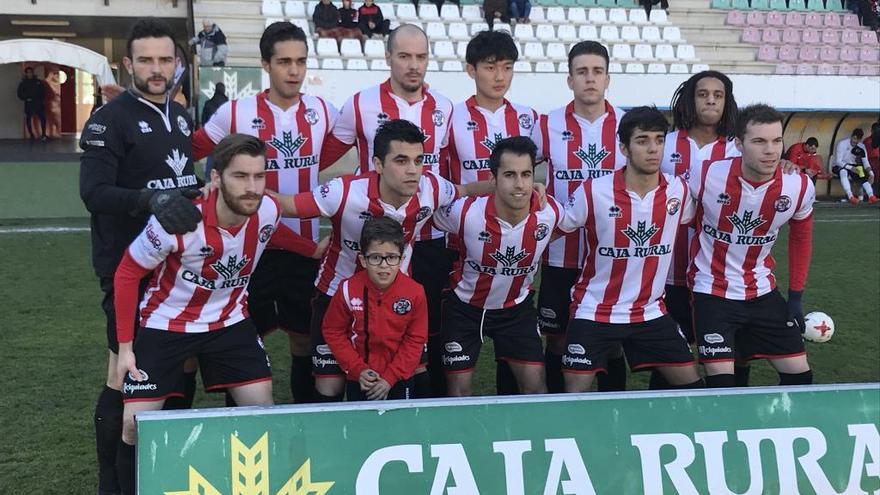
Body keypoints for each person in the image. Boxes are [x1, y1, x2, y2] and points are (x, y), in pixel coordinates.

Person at [112, 134, 317, 495]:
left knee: (264, 413)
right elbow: (128, 272)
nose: (252, 187)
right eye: (240, 176)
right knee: (133, 425)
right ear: (216, 178)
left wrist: (312, 249)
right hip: (166, 324)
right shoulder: (180, 221)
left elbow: (274, 234)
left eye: (258, 176)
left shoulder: (266, 210)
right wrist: (126, 348)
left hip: (229, 322)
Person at [272, 119, 499, 402]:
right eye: (401, 160)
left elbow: (464, 190)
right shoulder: (343, 192)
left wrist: (514, 188)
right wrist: (231, 192)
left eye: (419, 160)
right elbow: (287, 205)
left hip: (395, 301)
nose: (412, 170)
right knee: (329, 389)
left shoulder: (431, 187)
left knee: (412, 378)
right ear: (378, 164)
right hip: (337, 298)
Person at [79, 18, 202, 495]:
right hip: (126, 267)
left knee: (181, 364)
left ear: (177, 64)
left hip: (176, 267)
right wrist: (147, 202)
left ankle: (164, 463)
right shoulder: (109, 120)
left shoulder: (180, 116)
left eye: (165, 60)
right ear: (128, 64)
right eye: (146, 60)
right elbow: (93, 192)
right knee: (122, 371)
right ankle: (112, 481)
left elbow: (175, 181)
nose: (157, 69)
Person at [191, 21, 339, 404]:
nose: (294, 71)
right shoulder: (235, 113)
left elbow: (342, 154)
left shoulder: (323, 111)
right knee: (239, 338)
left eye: (301, 62)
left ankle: (307, 419)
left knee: (304, 338)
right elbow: (190, 150)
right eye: (284, 61)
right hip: (244, 253)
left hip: (304, 246)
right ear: (265, 64)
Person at [321, 24, 454, 398]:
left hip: (426, 237)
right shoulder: (360, 103)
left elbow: (452, 173)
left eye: (421, 57)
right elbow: (323, 156)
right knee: (366, 330)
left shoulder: (444, 107)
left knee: (425, 339)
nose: (414, 65)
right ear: (388, 57)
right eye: (404, 56)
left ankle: (424, 419)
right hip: (373, 236)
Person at [557, 106, 704, 393]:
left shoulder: (679, 192)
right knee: (573, 397)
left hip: (650, 312)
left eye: (659, 140)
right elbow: (553, 228)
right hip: (595, 310)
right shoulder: (593, 192)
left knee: (694, 391)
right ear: (624, 147)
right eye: (642, 140)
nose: (653, 149)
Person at [689, 104, 815, 389]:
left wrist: (795, 296)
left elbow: (801, 239)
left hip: (762, 292)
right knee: (723, 386)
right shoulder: (707, 175)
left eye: (776, 141)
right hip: (711, 291)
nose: (770, 150)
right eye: (759, 141)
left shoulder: (798, 186)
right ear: (738, 144)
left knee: (801, 378)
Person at [444, 30, 540, 395]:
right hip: (460, 243)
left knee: (515, 359)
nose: (499, 76)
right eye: (489, 67)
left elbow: (532, 173)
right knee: (452, 349)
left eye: (507, 67)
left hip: (514, 242)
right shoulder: (451, 118)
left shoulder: (529, 119)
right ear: (471, 70)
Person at [537, 41, 627, 394]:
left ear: (608, 78)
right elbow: (523, 169)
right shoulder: (548, 124)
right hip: (561, 253)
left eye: (597, 71)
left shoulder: (624, 125)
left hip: (611, 256)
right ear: (569, 79)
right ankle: (558, 415)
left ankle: (612, 412)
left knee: (612, 339)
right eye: (582, 72)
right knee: (557, 339)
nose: (590, 79)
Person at [435, 136, 555, 396]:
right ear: (494, 179)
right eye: (510, 175)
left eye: (526, 174)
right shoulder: (464, 213)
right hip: (465, 308)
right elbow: (426, 209)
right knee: (458, 392)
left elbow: (565, 228)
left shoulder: (550, 213)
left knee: (536, 387)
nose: (520, 184)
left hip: (516, 309)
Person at [657, 70, 740, 388]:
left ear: (726, 102)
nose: (710, 100)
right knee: (670, 359)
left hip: (721, 275)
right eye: (703, 93)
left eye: (718, 95)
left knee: (727, 358)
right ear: (691, 99)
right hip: (669, 272)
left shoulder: (737, 149)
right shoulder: (664, 144)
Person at [322, 217, 428, 401]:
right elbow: (333, 331)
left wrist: (390, 377)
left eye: (392, 257)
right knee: (362, 427)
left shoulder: (415, 292)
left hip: (399, 377)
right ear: (363, 260)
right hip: (361, 378)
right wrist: (358, 369)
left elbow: (416, 339)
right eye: (376, 257)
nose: (384, 265)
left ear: (401, 259)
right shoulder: (347, 289)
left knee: (399, 427)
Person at [834, 128, 877, 204]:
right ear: (852, 136)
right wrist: (851, 168)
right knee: (843, 171)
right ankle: (850, 196)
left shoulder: (862, 147)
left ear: (860, 139)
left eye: (858, 140)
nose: (855, 141)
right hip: (840, 165)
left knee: (861, 173)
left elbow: (865, 162)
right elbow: (838, 161)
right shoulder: (842, 144)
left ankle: (871, 196)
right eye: (854, 138)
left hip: (853, 166)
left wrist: (871, 174)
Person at [17, 67, 47, 141]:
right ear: (26, 74)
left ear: (33, 73)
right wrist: (26, 98)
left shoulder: (38, 82)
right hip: (29, 104)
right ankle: (31, 135)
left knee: (43, 118)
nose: (29, 74)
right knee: (28, 118)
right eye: (28, 72)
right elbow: (19, 93)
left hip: (38, 103)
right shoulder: (23, 83)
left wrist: (41, 99)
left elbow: (43, 92)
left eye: (31, 72)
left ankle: (43, 134)